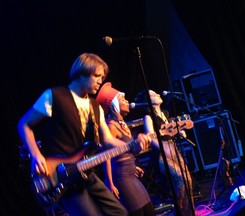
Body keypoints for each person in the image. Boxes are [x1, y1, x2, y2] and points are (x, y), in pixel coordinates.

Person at [17, 53, 151, 216]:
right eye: (97, 75)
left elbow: (108, 140)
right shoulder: (54, 96)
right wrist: (36, 155)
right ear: (82, 73)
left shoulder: (95, 107)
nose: (100, 81)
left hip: (86, 173)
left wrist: (132, 145)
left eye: (102, 76)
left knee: (120, 212)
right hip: (60, 175)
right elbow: (24, 124)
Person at [96, 82, 156, 216]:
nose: (127, 101)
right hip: (122, 179)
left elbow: (128, 151)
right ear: (114, 105)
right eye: (122, 99)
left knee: (150, 211)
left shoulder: (122, 124)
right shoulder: (111, 127)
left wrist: (133, 165)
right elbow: (107, 156)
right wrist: (110, 183)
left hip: (131, 175)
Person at [135, 89, 195, 216]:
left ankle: (189, 212)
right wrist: (164, 148)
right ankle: (180, 212)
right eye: (153, 94)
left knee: (187, 179)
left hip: (173, 149)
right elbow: (151, 138)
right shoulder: (148, 117)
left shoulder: (165, 114)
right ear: (147, 102)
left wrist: (179, 132)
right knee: (179, 179)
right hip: (161, 154)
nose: (157, 94)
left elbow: (170, 133)